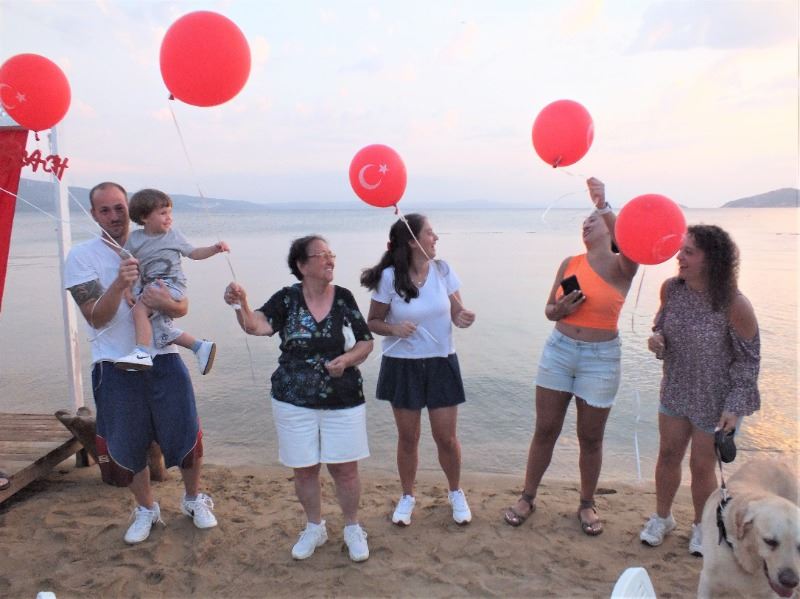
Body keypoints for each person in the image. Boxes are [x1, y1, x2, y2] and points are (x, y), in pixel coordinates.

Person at [64, 181, 218, 545]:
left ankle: (194, 499)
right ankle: (147, 508)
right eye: (105, 210)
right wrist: (119, 283)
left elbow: (181, 306)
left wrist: (167, 302)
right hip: (114, 363)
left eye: (119, 207)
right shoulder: (81, 256)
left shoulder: (154, 241)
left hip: (163, 355)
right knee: (127, 440)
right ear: (94, 215)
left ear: (131, 209)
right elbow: (95, 318)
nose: (114, 216)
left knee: (186, 431)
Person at [223, 235, 374, 562]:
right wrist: (240, 303)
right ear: (302, 265)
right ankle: (314, 527)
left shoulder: (344, 297)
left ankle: (352, 527)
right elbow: (256, 325)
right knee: (305, 470)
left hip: (342, 398)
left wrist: (347, 360)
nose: (330, 260)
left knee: (345, 470)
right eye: (322, 255)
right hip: (292, 399)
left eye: (331, 254)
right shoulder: (287, 298)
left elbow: (365, 342)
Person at [503, 178, 638, 535]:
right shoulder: (570, 262)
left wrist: (603, 204)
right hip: (560, 350)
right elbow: (549, 310)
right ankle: (527, 497)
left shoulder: (622, 266)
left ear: (608, 230)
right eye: (585, 219)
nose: (586, 222)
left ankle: (587, 503)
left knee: (590, 438)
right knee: (545, 429)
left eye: (594, 219)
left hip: (601, 358)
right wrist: (561, 309)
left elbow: (628, 243)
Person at [639, 224, 760, 556]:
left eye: (688, 252)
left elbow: (748, 361)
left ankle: (701, 526)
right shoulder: (671, 289)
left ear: (712, 260)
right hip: (676, 387)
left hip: (716, 399)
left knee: (702, 466)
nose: (679, 257)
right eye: (681, 250)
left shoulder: (735, 304)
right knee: (668, 455)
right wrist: (657, 341)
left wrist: (735, 407)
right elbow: (661, 327)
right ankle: (662, 518)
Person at [361, 214, 476, 527]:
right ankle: (408, 496)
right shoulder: (389, 278)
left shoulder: (443, 270)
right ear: (413, 241)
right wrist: (394, 329)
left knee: (446, 438)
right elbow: (373, 322)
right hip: (403, 365)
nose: (435, 238)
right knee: (408, 437)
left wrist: (463, 317)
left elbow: (457, 312)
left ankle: (455, 492)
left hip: (441, 361)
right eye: (430, 233)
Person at [114, 188, 229, 374]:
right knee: (162, 332)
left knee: (139, 310)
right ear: (144, 217)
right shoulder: (135, 239)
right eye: (163, 213)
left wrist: (214, 249)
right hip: (151, 287)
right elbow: (126, 264)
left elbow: (194, 253)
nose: (169, 217)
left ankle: (141, 353)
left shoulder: (173, 235)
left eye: (170, 212)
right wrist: (127, 290)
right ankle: (199, 347)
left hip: (172, 285)